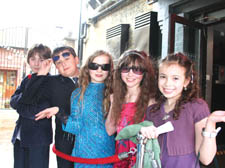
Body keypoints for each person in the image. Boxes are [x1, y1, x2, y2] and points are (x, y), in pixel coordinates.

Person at [140, 52, 225, 168]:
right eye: (163, 77)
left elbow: (206, 159)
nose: (167, 83)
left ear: (186, 81)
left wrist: (210, 123)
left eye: (175, 78)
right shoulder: (152, 111)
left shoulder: (197, 107)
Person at [19, 46, 79, 168]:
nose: (63, 64)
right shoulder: (51, 82)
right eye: (59, 62)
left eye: (67, 59)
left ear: (76, 60)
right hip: (65, 141)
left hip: (92, 140)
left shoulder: (94, 76)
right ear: (55, 66)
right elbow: (27, 100)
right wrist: (41, 73)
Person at [60, 50, 115, 168]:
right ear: (88, 68)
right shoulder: (77, 94)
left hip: (107, 154)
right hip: (82, 154)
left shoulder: (115, 93)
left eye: (104, 67)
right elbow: (76, 127)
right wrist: (60, 115)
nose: (99, 70)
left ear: (109, 70)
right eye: (95, 66)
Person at [105, 50, 156, 168]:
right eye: (125, 68)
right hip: (121, 158)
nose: (130, 74)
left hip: (141, 160)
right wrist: (114, 103)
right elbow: (110, 130)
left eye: (136, 69)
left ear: (144, 73)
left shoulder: (151, 101)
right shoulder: (117, 98)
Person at [10, 44, 52, 168]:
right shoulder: (27, 79)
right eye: (33, 59)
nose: (37, 63)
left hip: (38, 139)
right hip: (20, 137)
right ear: (28, 61)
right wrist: (24, 103)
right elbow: (13, 101)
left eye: (41, 59)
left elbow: (37, 111)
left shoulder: (51, 82)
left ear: (48, 61)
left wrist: (21, 106)